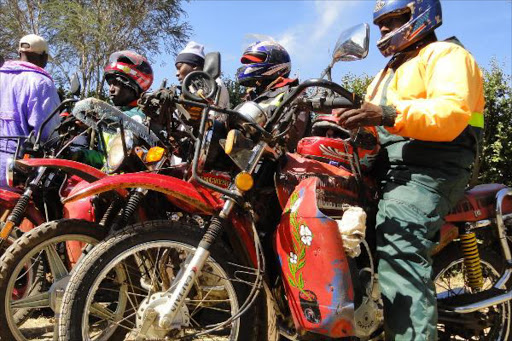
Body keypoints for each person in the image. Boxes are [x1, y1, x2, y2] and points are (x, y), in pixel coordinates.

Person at [335, 0, 485, 339]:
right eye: (381, 24)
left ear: (420, 15)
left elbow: (449, 113)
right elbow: (371, 124)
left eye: (394, 20)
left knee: (397, 238)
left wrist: (386, 115)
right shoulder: (389, 71)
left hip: (435, 168)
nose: (384, 30)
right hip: (392, 167)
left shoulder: (446, 56)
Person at [0, 34, 60, 187]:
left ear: (20, 53)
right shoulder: (41, 83)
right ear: (44, 57)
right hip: (13, 168)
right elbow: (48, 133)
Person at [236, 40, 309, 150]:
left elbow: (289, 141)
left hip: (276, 162)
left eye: (254, 60)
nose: (248, 65)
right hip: (244, 157)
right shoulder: (252, 97)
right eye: (247, 62)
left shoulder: (293, 93)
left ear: (276, 62)